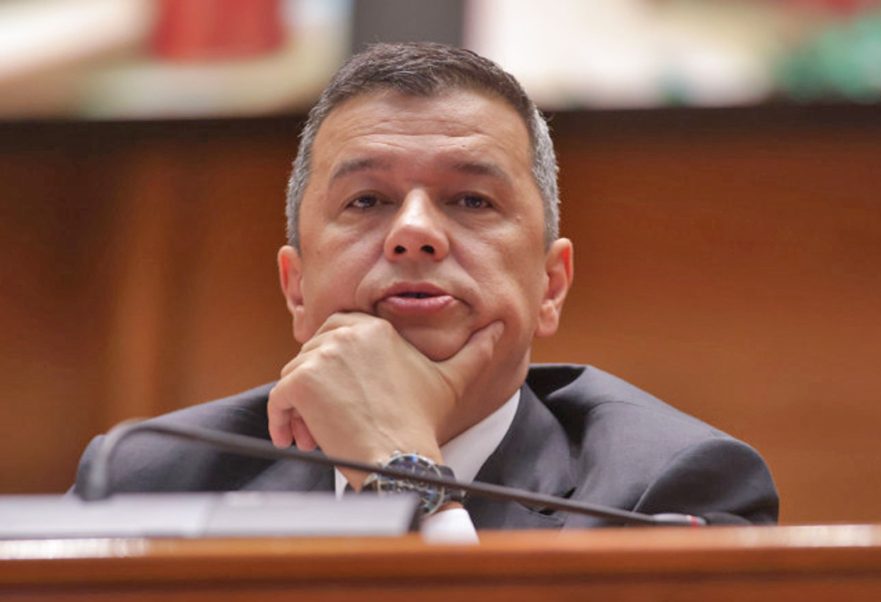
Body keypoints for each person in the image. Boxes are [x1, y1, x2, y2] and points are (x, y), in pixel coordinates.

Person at [73, 43, 778, 534]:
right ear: (296, 287)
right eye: (366, 201)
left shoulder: (668, 489)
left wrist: (405, 477)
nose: (414, 234)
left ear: (550, 285)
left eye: (471, 201)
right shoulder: (149, 479)